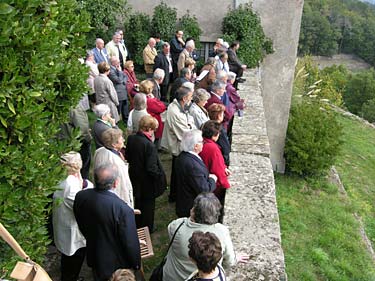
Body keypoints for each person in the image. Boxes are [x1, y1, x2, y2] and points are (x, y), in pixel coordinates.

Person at [73, 163, 141, 281]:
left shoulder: (81, 196)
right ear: (115, 183)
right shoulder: (122, 209)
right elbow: (130, 242)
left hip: (94, 253)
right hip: (116, 264)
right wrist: (136, 263)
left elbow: (80, 222)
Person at [163, 193, 249, 281]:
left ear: (194, 211)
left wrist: (191, 219)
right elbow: (229, 261)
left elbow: (170, 230)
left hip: (175, 277)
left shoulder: (178, 226)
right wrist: (235, 258)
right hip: (208, 274)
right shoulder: (222, 231)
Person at [53, 152, 92, 281]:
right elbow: (83, 206)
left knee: (68, 260)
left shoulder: (62, 180)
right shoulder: (70, 186)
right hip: (71, 230)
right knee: (73, 260)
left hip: (64, 225)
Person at [125, 115, 167, 232]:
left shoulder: (131, 138)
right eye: (153, 129)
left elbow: (127, 156)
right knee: (148, 207)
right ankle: (147, 228)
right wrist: (159, 176)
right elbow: (151, 168)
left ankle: (137, 224)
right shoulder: (149, 145)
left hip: (135, 177)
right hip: (147, 182)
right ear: (149, 129)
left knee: (138, 203)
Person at [161, 86, 196, 202]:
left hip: (179, 144)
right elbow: (186, 133)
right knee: (177, 174)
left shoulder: (178, 106)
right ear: (185, 98)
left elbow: (189, 119)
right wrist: (190, 125)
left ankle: (174, 194)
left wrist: (189, 124)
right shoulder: (175, 112)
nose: (191, 99)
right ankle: (175, 196)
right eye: (190, 97)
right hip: (178, 147)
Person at [174, 130, 217, 218]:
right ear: (196, 146)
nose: (203, 143)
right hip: (192, 208)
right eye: (202, 142)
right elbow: (204, 190)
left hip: (182, 201)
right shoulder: (193, 165)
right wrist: (212, 179)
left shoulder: (181, 157)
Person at [93, 128, 133, 207]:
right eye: (121, 139)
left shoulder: (99, 151)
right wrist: (128, 205)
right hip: (116, 197)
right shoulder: (116, 162)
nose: (124, 140)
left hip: (101, 195)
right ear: (114, 144)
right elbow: (123, 186)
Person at [199, 121, 230, 222]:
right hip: (213, 186)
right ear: (215, 135)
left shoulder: (201, 142)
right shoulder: (213, 148)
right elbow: (217, 170)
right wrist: (226, 185)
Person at [139, 79, 166, 146]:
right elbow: (162, 108)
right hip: (152, 122)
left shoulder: (139, 97)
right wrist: (154, 98)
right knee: (154, 141)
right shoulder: (150, 101)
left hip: (144, 121)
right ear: (149, 89)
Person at [109, 56, 129, 123]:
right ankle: (116, 122)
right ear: (113, 63)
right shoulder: (111, 71)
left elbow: (126, 76)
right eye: (118, 62)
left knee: (125, 107)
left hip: (123, 90)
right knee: (118, 108)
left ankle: (125, 121)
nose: (119, 63)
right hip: (118, 92)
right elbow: (118, 80)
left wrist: (124, 81)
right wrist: (120, 72)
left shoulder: (118, 67)